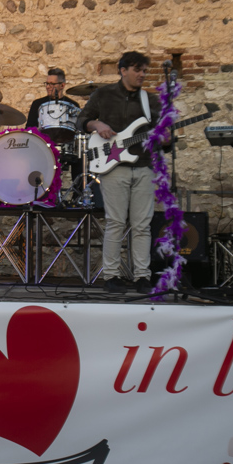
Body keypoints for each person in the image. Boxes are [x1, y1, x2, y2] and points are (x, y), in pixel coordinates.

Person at [77, 51, 167, 294]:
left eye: (144, 71)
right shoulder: (104, 94)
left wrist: (166, 137)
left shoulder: (151, 101)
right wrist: (97, 124)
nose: (142, 75)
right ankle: (111, 274)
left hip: (144, 165)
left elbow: (163, 138)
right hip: (113, 166)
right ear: (123, 70)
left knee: (142, 225)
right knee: (116, 222)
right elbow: (81, 119)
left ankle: (142, 276)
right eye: (137, 70)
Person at [26, 68, 82, 180]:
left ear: (62, 85)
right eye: (47, 83)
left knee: (80, 158)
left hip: (66, 147)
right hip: (44, 148)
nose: (48, 87)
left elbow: (77, 130)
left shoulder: (73, 105)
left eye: (52, 84)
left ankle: (78, 195)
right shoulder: (38, 104)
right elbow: (29, 129)